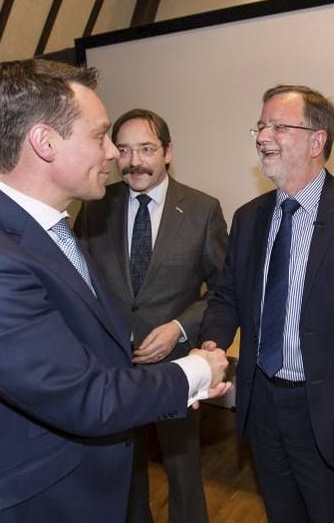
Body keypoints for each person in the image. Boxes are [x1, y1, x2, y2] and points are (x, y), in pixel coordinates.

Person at [0, 59, 230, 523]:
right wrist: (197, 369)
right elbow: (85, 397)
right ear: (44, 143)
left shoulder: (50, 233)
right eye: (100, 137)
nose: (113, 155)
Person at [200, 85, 334, 522]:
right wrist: (212, 343)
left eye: (278, 126)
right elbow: (227, 296)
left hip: (333, 415)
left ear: (317, 140)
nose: (263, 137)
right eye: (261, 126)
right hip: (261, 406)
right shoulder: (248, 217)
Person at [75, 108, 227, 523]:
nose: (134, 161)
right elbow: (79, 282)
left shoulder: (202, 209)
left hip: (177, 365)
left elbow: (224, 291)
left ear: (168, 152)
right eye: (123, 150)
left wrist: (179, 327)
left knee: (184, 474)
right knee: (126, 474)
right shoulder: (95, 206)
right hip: (114, 368)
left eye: (146, 148)